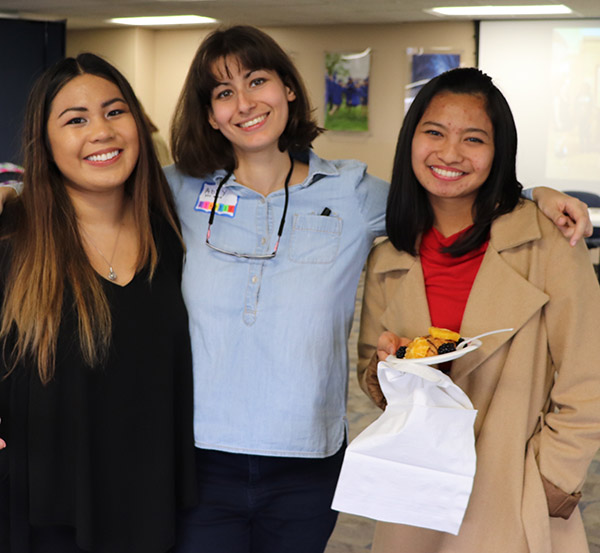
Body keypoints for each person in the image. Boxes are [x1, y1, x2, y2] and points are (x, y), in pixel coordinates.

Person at [164, 25, 593, 553]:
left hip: (311, 458)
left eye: (257, 81)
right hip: (203, 454)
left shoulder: (351, 194)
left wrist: (535, 192)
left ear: (289, 90)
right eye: (224, 92)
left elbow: (446, 184)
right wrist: (384, 368)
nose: (245, 102)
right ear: (208, 113)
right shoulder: (175, 190)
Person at [357, 67, 600, 553]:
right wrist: (387, 368)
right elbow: (375, 374)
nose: (449, 153)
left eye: (473, 139)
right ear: (411, 140)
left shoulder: (549, 241)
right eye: (433, 133)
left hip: (513, 487)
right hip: (419, 491)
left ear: (499, 152)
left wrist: (553, 476)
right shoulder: (390, 255)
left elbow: (587, 375)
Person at [0, 53, 197, 553]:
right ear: (44, 142)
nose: (102, 131)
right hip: (41, 516)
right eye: (76, 119)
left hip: (153, 508)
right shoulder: (12, 236)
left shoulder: (176, 235)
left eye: (115, 111)